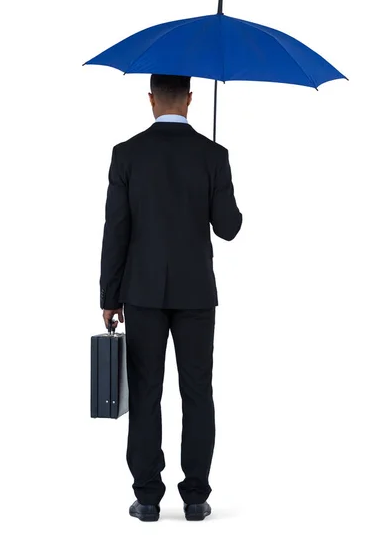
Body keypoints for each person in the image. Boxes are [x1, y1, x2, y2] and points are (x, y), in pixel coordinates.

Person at [99, 74, 242, 521]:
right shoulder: (213, 155)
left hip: (140, 291)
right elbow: (229, 227)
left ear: (150, 99)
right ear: (192, 99)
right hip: (197, 292)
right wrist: (220, 185)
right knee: (198, 391)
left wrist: (109, 295)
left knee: (145, 392)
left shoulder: (126, 154)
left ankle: (147, 499)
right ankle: (196, 498)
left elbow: (116, 230)